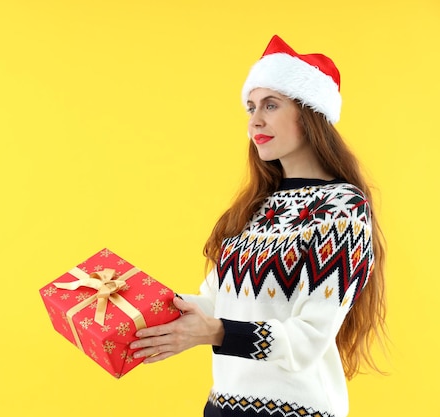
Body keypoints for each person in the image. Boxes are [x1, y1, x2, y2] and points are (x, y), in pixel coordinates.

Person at [129, 35, 387, 417]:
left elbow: (309, 337)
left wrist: (215, 332)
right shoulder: (254, 207)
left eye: (271, 104)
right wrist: (144, 308)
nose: (255, 121)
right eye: (250, 107)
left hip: (296, 410)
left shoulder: (341, 209)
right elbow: (219, 302)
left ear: (310, 113)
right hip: (223, 405)